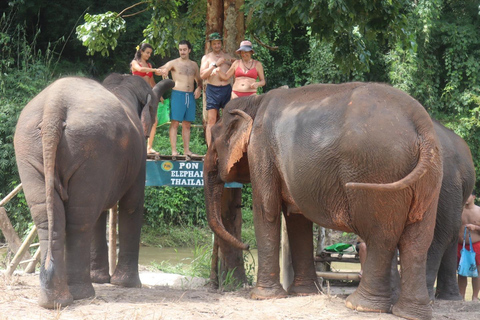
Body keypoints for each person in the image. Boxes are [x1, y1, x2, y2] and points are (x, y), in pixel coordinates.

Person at [158, 40, 203, 157]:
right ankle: (174, 150)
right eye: (180, 50)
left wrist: (199, 88)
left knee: (187, 124)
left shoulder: (194, 65)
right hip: (178, 94)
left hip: (190, 96)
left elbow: (199, 80)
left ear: (189, 50)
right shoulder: (174, 63)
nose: (182, 52)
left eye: (184, 49)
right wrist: (164, 70)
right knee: (175, 123)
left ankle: (187, 150)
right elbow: (161, 70)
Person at [200, 32, 234, 147]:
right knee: (211, 119)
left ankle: (226, 146)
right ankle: (210, 148)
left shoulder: (228, 56)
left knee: (227, 118)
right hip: (212, 90)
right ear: (211, 45)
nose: (217, 46)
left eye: (218, 43)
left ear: (221, 44)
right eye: (214, 44)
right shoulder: (207, 58)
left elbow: (238, 66)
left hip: (226, 89)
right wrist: (214, 65)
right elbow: (202, 75)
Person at [130, 43, 162, 154]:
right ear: (141, 52)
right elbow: (140, 69)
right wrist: (154, 70)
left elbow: (152, 82)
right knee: (138, 120)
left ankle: (149, 147)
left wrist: (160, 95)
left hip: (148, 94)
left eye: (150, 53)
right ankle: (136, 146)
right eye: (147, 52)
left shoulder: (149, 65)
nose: (149, 55)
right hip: (137, 94)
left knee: (154, 120)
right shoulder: (135, 63)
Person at [458, 192, 480, 301]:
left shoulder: (479, 211)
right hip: (460, 246)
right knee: (462, 271)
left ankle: (475, 296)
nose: (465, 197)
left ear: (474, 197)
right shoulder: (458, 210)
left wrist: (475, 227)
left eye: (468, 195)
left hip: (476, 246)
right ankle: (461, 295)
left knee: (477, 271)